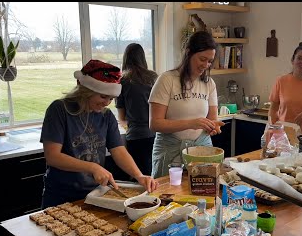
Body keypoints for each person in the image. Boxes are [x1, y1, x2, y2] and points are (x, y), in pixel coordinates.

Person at [40, 59, 158, 208]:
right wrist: (92, 167)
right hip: (61, 194)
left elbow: (119, 151)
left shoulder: (106, 116)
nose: (107, 103)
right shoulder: (59, 110)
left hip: (93, 194)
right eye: (103, 96)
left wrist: (139, 175)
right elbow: (53, 157)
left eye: (111, 98)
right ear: (85, 90)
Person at [149, 30, 225, 178]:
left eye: (210, 61)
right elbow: (155, 124)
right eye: (202, 59)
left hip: (202, 150)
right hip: (170, 150)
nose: (206, 65)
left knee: (203, 194)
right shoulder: (167, 80)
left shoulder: (209, 84)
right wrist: (192, 123)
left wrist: (213, 127)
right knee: (166, 196)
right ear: (189, 53)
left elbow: (212, 120)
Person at [116, 43, 158, 177]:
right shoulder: (153, 78)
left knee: (138, 177)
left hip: (135, 137)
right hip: (155, 135)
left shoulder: (122, 81)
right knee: (154, 176)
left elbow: (122, 118)